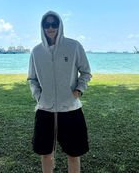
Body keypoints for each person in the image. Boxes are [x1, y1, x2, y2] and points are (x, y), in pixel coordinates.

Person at [28, 11, 92, 173]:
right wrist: (38, 96)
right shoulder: (36, 52)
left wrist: (78, 91)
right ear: (42, 27)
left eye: (54, 24)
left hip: (70, 110)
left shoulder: (73, 46)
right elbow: (32, 79)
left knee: (73, 154)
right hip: (45, 110)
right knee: (46, 154)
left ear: (60, 25)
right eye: (46, 24)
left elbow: (85, 72)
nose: (50, 28)